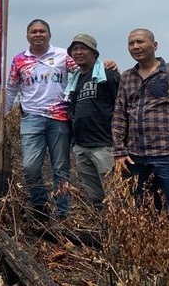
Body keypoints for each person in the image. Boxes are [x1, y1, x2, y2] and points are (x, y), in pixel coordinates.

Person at [5, 19, 77, 219]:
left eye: (42, 31)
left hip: (59, 118)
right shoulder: (20, 60)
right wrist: (2, 114)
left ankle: (61, 212)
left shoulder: (63, 55)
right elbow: (11, 88)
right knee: (30, 167)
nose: (38, 34)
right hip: (31, 118)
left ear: (49, 35)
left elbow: (84, 70)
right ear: (27, 36)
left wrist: (104, 65)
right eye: (34, 31)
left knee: (61, 168)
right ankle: (40, 206)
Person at [112, 28, 169, 211]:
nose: (135, 47)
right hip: (135, 157)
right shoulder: (127, 77)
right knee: (140, 208)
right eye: (131, 43)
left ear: (154, 45)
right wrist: (119, 151)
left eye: (140, 42)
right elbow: (120, 115)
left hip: (167, 154)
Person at [65, 34, 120, 208]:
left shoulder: (107, 74)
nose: (79, 52)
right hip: (82, 147)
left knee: (114, 195)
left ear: (94, 52)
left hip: (104, 145)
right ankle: (104, 232)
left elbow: (121, 105)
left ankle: (120, 232)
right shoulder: (75, 80)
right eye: (75, 49)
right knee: (95, 197)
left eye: (84, 48)